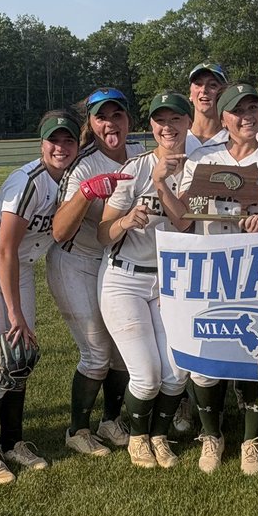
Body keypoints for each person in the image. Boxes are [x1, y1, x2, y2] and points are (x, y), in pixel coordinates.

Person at [175, 83, 258, 474]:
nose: (248, 117)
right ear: (223, 118)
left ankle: (250, 440)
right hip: (209, 270)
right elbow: (186, 217)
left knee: (251, 356)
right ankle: (212, 436)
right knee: (204, 362)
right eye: (238, 111)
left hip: (255, 272)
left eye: (254, 109)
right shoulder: (201, 160)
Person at [0, 111, 79, 483]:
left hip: (20, 269)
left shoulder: (72, 178)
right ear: (41, 143)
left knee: (20, 362)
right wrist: (15, 312)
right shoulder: (29, 181)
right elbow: (4, 250)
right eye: (52, 140)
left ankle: (12, 443)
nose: (60, 147)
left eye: (68, 140)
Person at [96, 92, 195, 469]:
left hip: (173, 281)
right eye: (160, 120)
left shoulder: (200, 165)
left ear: (188, 122)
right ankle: (138, 438)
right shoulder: (134, 169)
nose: (167, 127)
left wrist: (161, 183)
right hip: (124, 280)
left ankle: (159, 435)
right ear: (150, 125)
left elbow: (184, 222)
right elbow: (104, 234)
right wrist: (123, 221)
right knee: (147, 376)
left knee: (176, 373)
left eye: (175, 120)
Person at [51, 88, 143, 455]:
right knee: (95, 352)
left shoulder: (139, 153)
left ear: (128, 119)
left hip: (115, 260)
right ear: (91, 122)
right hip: (78, 260)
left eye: (117, 115)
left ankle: (109, 420)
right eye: (101, 117)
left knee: (121, 348)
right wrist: (86, 194)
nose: (111, 124)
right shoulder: (85, 164)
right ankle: (77, 429)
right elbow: (59, 232)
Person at [187, 62, 229, 147]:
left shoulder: (233, 141)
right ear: (191, 93)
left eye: (212, 85)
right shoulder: (177, 140)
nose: (204, 90)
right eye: (198, 84)